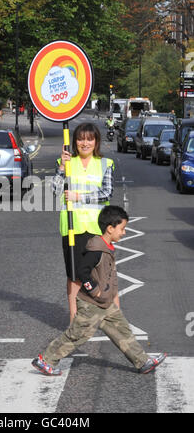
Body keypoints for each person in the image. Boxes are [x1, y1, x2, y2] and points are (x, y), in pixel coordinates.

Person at [32, 206, 167, 376]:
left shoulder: (107, 247)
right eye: (122, 229)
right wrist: (94, 290)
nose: (124, 232)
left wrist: (111, 296)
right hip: (91, 304)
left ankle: (142, 361)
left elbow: (110, 275)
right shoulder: (96, 249)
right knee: (78, 335)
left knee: (122, 329)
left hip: (105, 302)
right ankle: (45, 360)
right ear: (110, 229)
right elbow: (82, 271)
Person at [52, 123, 114, 324]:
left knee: (102, 275)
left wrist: (80, 196)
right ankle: (74, 319)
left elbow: (107, 192)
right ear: (74, 142)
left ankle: (105, 317)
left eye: (89, 139)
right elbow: (55, 190)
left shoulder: (105, 163)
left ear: (96, 141)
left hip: (98, 230)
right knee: (74, 276)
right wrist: (62, 167)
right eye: (80, 139)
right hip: (73, 228)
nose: (85, 143)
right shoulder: (67, 163)